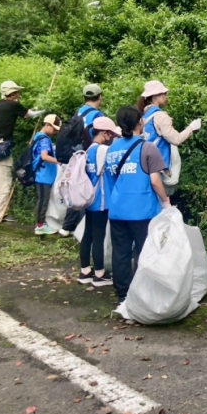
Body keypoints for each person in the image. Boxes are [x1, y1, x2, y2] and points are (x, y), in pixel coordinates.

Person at [106, 106, 170, 303]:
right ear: (140, 122)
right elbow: (155, 181)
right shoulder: (147, 147)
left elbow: (112, 180)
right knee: (144, 252)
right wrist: (166, 200)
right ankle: (144, 293)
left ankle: (123, 294)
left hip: (117, 209)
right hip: (142, 210)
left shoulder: (112, 149)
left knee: (121, 252)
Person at [0, 81, 44, 223]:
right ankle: (0, 215)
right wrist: (43, 111)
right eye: (17, 92)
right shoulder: (13, 105)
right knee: (3, 181)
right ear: (13, 93)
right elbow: (30, 115)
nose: (19, 95)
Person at [78, 116, 121, 287]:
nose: (112, 138)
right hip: (101, 199)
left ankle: (85, 271)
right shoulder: (103, 150)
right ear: (104, 133)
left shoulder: (89, 149)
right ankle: (99, 274)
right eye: (111, 134)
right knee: (98, 236)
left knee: (87, 234)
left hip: (89, 199)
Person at [59, 84, 106, 238]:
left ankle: (68, 226)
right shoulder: (98, 115)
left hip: (75, 155)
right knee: (86, 190)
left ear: (84, 98)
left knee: (75, 187)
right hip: (89, 155)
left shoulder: (78, 112)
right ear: (100, 97)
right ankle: (79, 228)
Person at [135, 80, 201, 172]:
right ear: (155, 96)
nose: (166, 97)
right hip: (157, 166)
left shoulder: (142, 115)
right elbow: (176, 139)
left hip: (143, 164)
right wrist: (192, 128)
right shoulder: (160, 116)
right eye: (164, 94)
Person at [32, 115, 63, 235]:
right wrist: (59, 161)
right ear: (47, 125)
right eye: (54, 129)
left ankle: (41, 224)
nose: (55, 132)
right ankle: (40, 225)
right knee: (43, 201)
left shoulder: (38, 137)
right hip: (43, 175)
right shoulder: (44, 139)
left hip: (42, 175)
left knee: (43, 200)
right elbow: (44, 156)